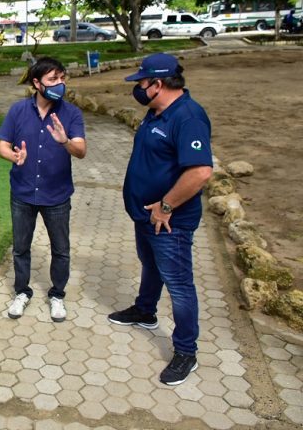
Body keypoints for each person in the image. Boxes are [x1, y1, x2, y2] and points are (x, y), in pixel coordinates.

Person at [109, 53, 213, 386]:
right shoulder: (156, 112)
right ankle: (145, 310)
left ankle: (186, 351)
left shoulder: (188, 117)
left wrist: (165, 206)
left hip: (169, 222)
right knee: (150, 265)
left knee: (180, 287)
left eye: (142, 82)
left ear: (158, 84)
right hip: (145, 216)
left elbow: (200, 171)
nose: (138, 88)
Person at [0, 57, 86, 322]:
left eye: (62, 78)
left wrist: (65, 141)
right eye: (53, 79)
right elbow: (2, 145)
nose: (60, 84)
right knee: (20, 247)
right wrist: (14, 157)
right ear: (37, 83)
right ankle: (22, 292)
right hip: (23, 193)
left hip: (57, 195)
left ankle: (57, 295)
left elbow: (81, 151)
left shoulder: (71, 114)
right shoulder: (18, 110)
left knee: (61, 249)